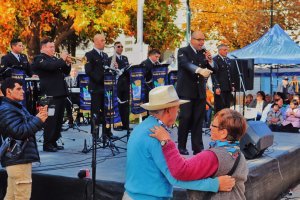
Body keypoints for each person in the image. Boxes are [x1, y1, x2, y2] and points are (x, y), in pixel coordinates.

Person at [123, 85, 235, 200]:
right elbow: (175, 176)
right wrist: (215, 184)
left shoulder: (142, 127)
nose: (178, 112)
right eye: (177, 108)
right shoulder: (157, 135)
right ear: (168, 110)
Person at [150, 108, 248, 200]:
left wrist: (166, 141)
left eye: (213, 125)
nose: (210, 127)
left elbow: (180, 171)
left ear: (223, 133)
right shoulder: (237, 153)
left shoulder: (213, 156)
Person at [0, 78, 48, 200]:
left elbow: (26, 125)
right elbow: (19, 132)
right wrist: (38, 120)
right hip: (18, 160)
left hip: (17, 159)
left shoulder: (15, 107)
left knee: (10, 197)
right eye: (18, 89)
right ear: (8, 91)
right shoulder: (7, 109)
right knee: (22, 197)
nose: (23, 91)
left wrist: (39, 117)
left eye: (22, 88)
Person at [176, 30, 213, 155]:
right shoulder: (183, 51)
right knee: (185, 118)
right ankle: (181, 146)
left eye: (203, 40)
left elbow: (213, 69)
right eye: (199, 40)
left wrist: (210, 61)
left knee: (198, 120)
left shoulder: (203, 53)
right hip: (186, 91)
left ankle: (198, 147)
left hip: (200, 92)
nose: (201, 42)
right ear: (191, 39)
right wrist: (198, 70)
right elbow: (185, 64)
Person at [31, 38, 71, 152]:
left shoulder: (54, 59)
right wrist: (62, 59)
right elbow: (51, 67)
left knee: (58, 120)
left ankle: (54, 141)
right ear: (43, 48)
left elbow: (66, 72)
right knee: (50, 120)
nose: (53, 49)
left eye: (54, 47)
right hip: (48, 94)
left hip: (60, 93)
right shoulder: (40, 59)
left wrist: (67, 63)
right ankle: (47, 143)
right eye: (51, 47)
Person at [84, 34, 117, 139]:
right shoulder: (89, 54)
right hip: (96, 87)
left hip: (106, 88)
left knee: (107, 111)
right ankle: (95, 134)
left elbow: (107, 70)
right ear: (96, 42)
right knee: (96, 112)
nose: (104, 42)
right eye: (102, 40)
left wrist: (113, 68)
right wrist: (100, 78)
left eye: (104, 40)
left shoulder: (105, 55)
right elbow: (88, 71)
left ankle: (107, 133)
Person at [109, 42, 131, 131]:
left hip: (125, 84)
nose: (121, 48)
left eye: (122, 46)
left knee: (125, 104)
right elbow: (110, 71)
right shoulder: (111, 58)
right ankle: (117, 124)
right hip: (116, 84)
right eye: (118, 47)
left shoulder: (125, 58)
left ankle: (125, 124)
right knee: (117, 104)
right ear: (114, 48)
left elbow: (127, 70)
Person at [212, 44, 235, 113]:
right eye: (225, 50)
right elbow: (214, 74)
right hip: (220, 87)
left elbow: (231, 73)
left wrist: (232, 85)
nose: (226, 51)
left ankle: (226, 122)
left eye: (227, 50)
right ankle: (218, 122)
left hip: (228, 87)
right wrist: (216, 87)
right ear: (219, 51)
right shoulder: (215, 60)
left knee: (227, 107)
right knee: (220, 107)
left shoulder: (228, 60)